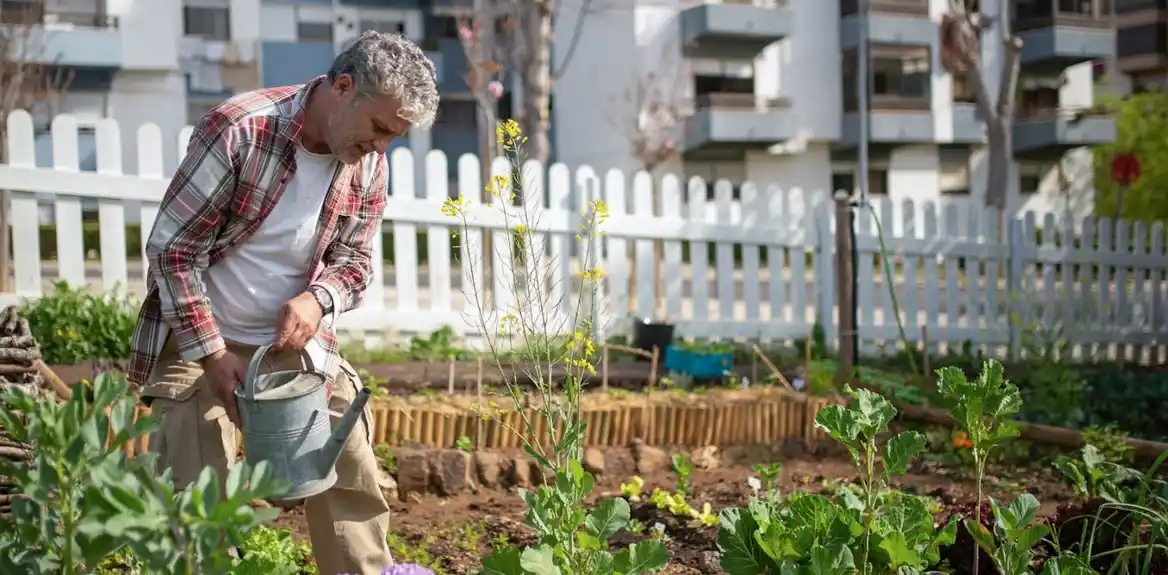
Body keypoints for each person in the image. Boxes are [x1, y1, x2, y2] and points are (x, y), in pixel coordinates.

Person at [125, 31, 439, 575]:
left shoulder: (367, 163)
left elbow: (356, 264)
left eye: (396, 136)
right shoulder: (242, 130)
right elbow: (173, 251)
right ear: (343, 87)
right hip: (200, 339)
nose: (383, 147)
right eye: (381, 129)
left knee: (349, 458)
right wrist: (212, 354)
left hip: (292, 343)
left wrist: (318, 301)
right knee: (194, 479)